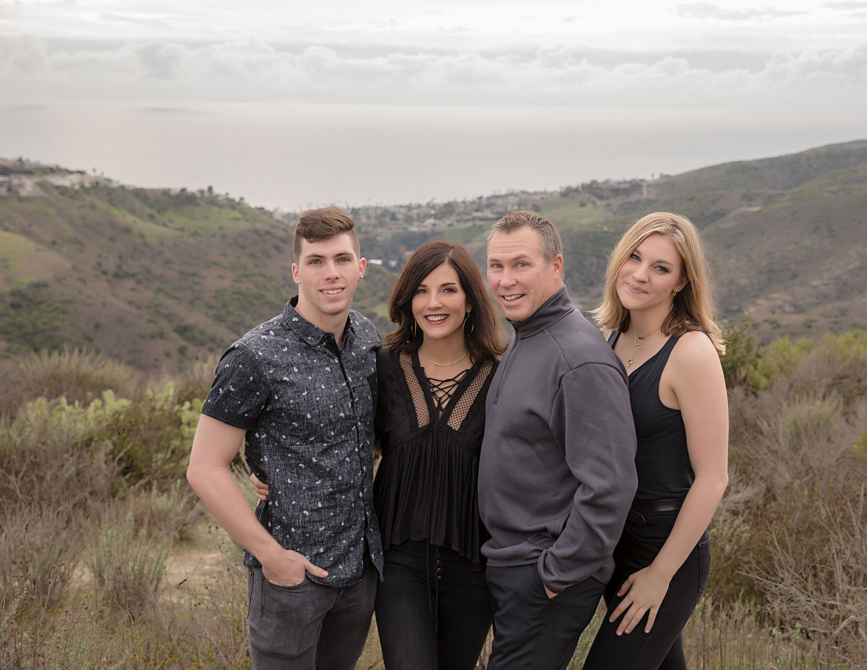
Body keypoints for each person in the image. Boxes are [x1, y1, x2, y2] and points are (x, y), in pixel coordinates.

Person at [253, 241, 505, 670]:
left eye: (448, 290)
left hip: (474, 567)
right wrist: (276, 470)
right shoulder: (384, 363)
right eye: (421, 291)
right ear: (408, 300)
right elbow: (347, 435)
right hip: (399, 564)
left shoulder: (502, 373)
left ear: (469, 299)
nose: (433, 303)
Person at [186, 206, 382, 670]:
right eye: (316, 261)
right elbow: (204, 468)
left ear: (360, 268)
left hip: (359, 574)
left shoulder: (368, 341)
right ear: (297, 271)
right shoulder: (253, 356)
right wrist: (272, 558)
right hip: (292, 582)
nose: (330, 273)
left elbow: (365, 437)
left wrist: (282, 468)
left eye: (340, 259)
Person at [478, 210, 638, 670]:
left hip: (544, 575)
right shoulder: (528, 338)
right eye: (497, 266)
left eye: (521, 265)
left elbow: (610, 486)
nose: (506, 280)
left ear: (555, 266)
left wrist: (551, 577)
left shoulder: (578, 359)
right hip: (515, 567)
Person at [582, 212, 729, 670]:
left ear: (682, 282)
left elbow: (713, 477)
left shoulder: (691, 352)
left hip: (665, 549)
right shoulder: (607, 338)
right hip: (613, 541)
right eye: (635, 257)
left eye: (661, 268)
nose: (640, 274)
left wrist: (660, 575)